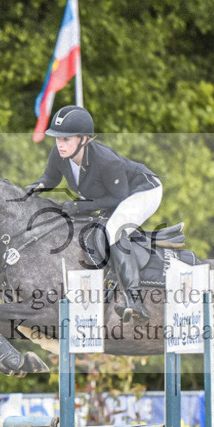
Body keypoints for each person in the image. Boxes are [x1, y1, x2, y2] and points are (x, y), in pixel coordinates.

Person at [25, 105, 162, 321]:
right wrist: (32, 189)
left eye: (66, 139)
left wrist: (81, 207)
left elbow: (119, 198)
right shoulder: (59, 155)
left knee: (114, 229)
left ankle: (135, 300)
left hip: (143, 191)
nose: (60, 144)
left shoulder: (106, 161)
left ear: (83, 139)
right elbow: (49, 180)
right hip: (115, 195)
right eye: (58, 139)